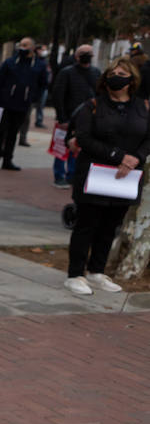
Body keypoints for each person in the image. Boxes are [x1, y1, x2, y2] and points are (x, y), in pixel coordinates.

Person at [63, 56, 150, 295]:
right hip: (94, 173)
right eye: (113, 72)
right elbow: (84, 138)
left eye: (122, 73)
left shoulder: (142, 107)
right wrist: (119, 156)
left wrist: (135, 159)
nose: (116, 77)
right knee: (87, 224)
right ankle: (75, 274)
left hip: (125, 177)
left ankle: (97, 271)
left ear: (132, 80)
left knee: (110, 225)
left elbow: (146, 139)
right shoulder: (93, 105)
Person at [0, 37, 44, 171]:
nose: (22, 47)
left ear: (32, 48)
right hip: (5, 103)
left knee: (13, 133)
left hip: (22, 104)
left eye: (25, 45)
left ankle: (8, 160)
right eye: (21, 45)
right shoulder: (10, 62)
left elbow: (42, 84)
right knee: (0, 133)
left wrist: (33, 98)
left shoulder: (38, 65)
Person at [50, 44, 100, 188]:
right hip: (67, 118)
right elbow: (58, 96)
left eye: (89, 53)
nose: (87, 55)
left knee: (78, 147)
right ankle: (59, 175)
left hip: (86, 119)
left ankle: (72, 175)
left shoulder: (96, 72)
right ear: (77, 56)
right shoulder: (66, 73)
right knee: (61, 147)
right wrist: (62, 118)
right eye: (84, 53)